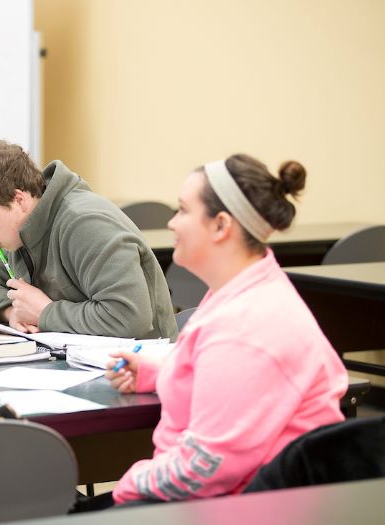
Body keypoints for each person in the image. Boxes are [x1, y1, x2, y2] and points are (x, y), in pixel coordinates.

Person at [104, 154, 348, 505]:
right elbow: (227, 374)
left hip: (239, 507)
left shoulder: (247, 327)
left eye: (183, 210)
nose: (172, 223)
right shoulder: (244, 290)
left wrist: (125, 489)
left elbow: (203, 471)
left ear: (221, 225)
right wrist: (157, 372)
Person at [0, 140, 176, 338]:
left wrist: (45, 313)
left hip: (138, 370)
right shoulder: (17, 232)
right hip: (71, 365)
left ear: (19, 200)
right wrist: (12, 312)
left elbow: (129, 317)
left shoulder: (86, 224)